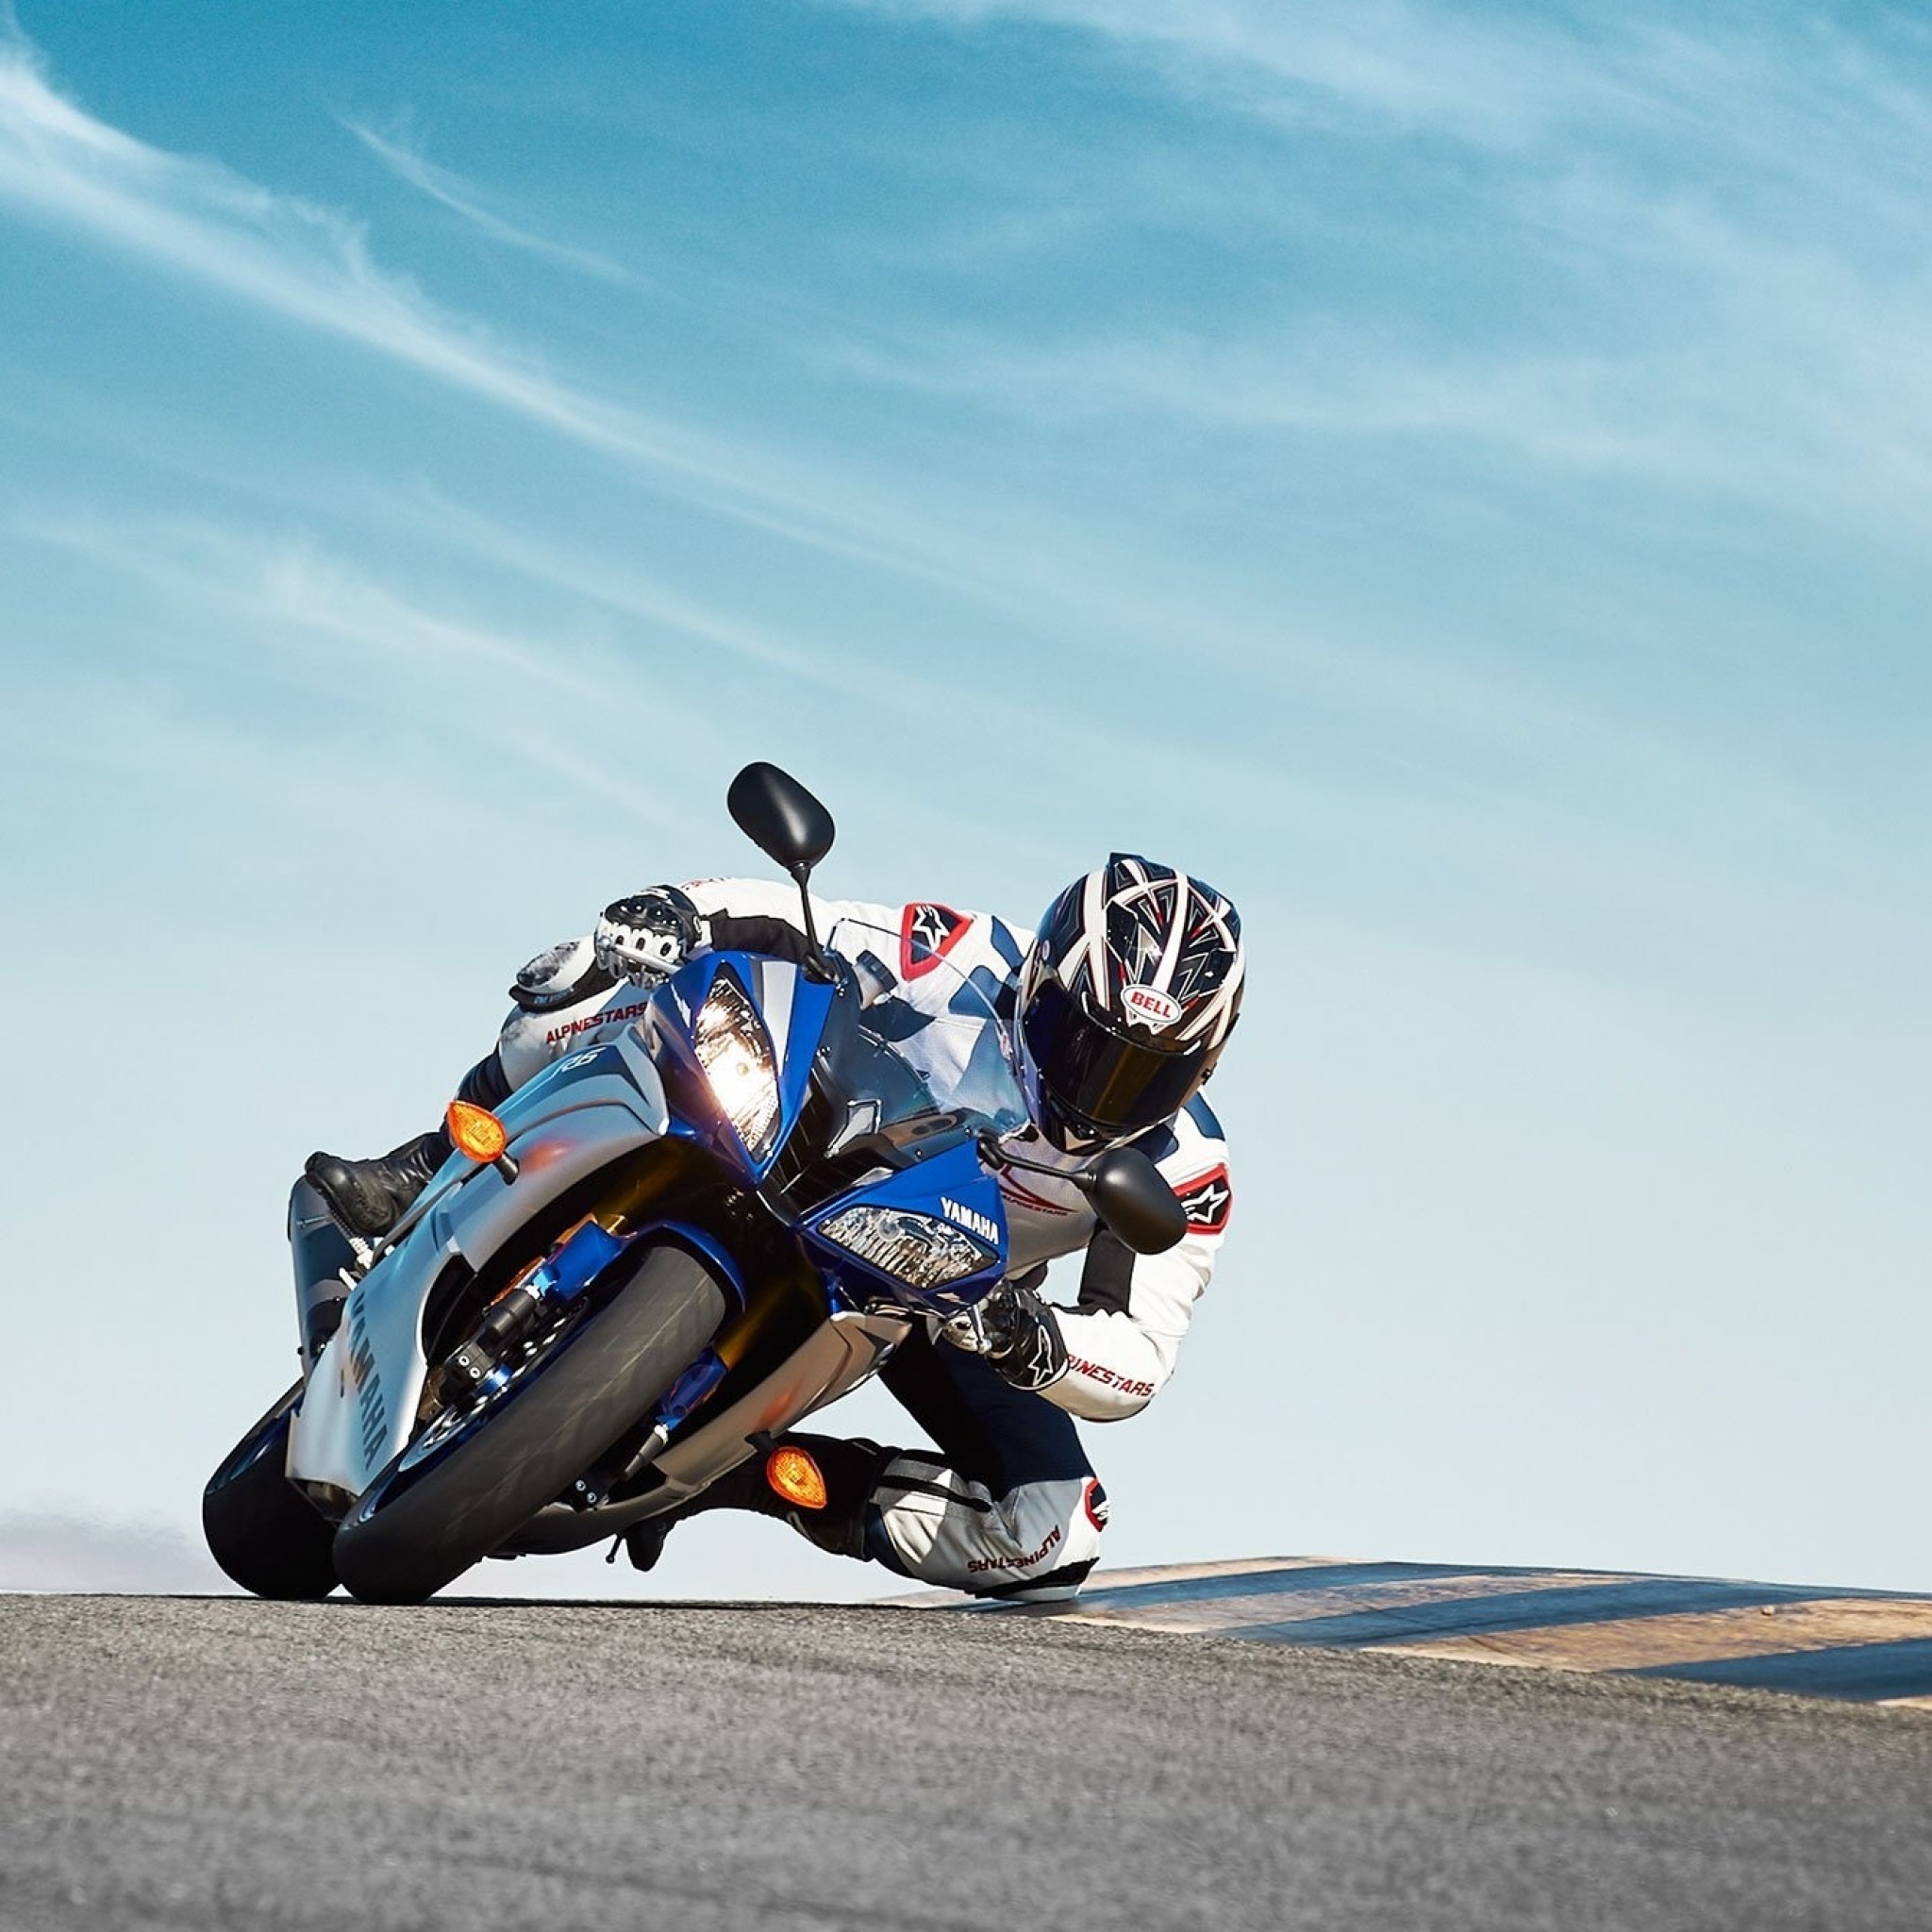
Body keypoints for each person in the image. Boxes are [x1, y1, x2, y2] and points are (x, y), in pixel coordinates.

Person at [305, 858, 1241, 1601]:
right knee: (594, 978)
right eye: (1083, 1039)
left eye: (1145, 1073)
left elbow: (1140, 1353)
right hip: (794, 1128)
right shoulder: (960, 957)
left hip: (934, 1287)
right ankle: (425, 1165)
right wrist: (679, 912)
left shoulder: (1185, 1166)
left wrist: (1031, 1338)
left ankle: (751, 1475)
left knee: (1054, 1530)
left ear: (1201, 1065)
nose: (1099, 1088)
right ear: (1040, 981)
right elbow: (810, 918)